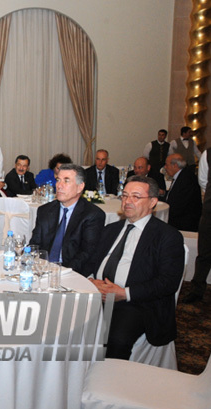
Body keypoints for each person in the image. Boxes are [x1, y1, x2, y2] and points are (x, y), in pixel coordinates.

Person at [88, 176, 184, 360]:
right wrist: (91, 281)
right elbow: (92, 262)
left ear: (153, 202)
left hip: (137, 302)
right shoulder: (111, 229)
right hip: (97, 294)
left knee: (116, 339)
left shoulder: (167, 236)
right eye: (124, 196)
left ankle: (109, 384)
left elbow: (168, 282)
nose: (127, 201)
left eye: (136, 196)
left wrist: (125, 293)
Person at [29, 164, 104, 275]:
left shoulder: (92, 215)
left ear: (80, 187)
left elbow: (86, 254)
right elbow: (35, 244)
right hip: (43, 270)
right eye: (58, 180)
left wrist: (60, 272)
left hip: (73, 273)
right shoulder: (44, 211)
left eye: (66, 181)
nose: (59, 186)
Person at [184, 150, 211, 303]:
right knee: (204, 253)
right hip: (209, 212)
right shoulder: (208, 154)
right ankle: (197, 289)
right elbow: (203, 181)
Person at [164, 153, 201, 232]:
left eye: (166, 165)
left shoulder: (186, 179)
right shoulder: (182, 175)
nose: (165, 167)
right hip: (180, 220)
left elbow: (179, 204)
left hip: (184, 225)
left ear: (175, 166)